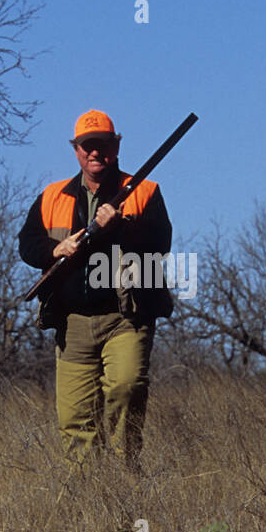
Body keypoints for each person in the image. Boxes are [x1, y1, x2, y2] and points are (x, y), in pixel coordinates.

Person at [19, 110, 173, 465]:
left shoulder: (144, 191)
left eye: (102, 145)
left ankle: (125, 477)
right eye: (87, 146)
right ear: (76, 150)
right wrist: (55, 249)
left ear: (115, 147)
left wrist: (120, 227)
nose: (95, 153)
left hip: (126, 318)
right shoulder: (52, 195)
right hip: (72, 323)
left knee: (126, 387)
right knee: (74, 421)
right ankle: (89, 501)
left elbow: (159, 245)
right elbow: (26, 244)